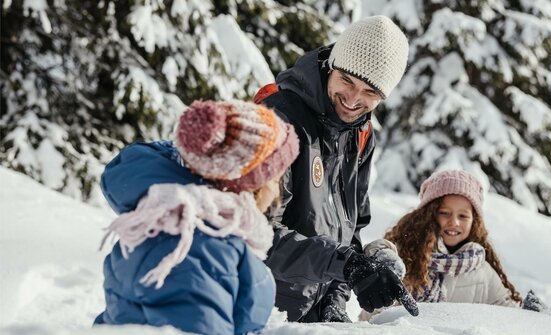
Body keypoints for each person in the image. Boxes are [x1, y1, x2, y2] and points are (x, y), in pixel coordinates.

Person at [99, 15, 418, 323]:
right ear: (331, 65)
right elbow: (258, 231)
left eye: (370, 92)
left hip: (311, 315)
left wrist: (336, 302)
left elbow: (349, 229)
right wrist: (345, 265)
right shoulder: (278, 123)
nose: (353, 99)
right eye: (346, 81)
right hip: (265, 310)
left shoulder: (360, 133)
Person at [94, 100, 300, 334]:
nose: (278, 192)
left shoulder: (200, 231)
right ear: (247, 186)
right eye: (274, 179)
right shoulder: (196, 250)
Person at [359, 169, 528, 321]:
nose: (454, 222)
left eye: (463, 216)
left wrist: (532, 313)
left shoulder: (482, 272)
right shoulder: (405, 258)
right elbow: (371, 315)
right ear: (428, 215)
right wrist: (378, 261)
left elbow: (510, 315)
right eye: (444, 213)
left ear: (474, 221)